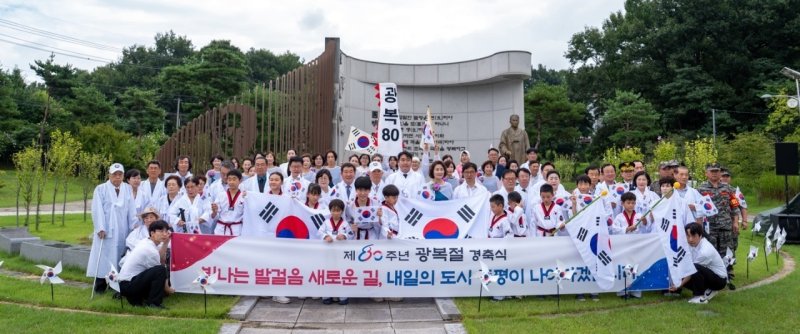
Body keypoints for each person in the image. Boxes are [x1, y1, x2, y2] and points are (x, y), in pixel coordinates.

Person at [87, 163, 138, 293]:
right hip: (106, 230)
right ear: (109, 175)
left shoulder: (127, 189)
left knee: (120, 256)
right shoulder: (101, 189)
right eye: (114, 174)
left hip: (122, 229)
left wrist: (134, 225)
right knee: (104, 257)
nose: (117, 177)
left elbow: (131, 209)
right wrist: (100, 228)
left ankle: (117, 286)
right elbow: (97, 209)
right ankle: (100, 286)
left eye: (120, 174)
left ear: (122, 176)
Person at [696, 162, 741, 289]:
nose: (715, 173)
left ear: (720, 173)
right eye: (712, 171)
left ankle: (728, 276)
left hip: (726, 225)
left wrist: (735, 221)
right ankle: (713, 277)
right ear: (706, 173)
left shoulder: (728, 188)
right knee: (711, 251)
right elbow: (698, 208)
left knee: (727, 251)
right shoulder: (701, 189)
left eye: (717, 171)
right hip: (710, 227)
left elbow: (734, 205)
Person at [670, 223, 728, 304]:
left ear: (700, 236)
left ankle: (700, 297)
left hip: (720, 280)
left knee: (694, 268)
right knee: (683, 272)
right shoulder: (691, 244)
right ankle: (707, 290)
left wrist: (679, 284)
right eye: (688, 236)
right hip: (709, 274)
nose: (690, 239)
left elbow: (691, 270)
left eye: (694, 236)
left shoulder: (705, 251)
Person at [118, 220, 171, 308]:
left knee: (161, 283)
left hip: (128, 282)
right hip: (128, 284)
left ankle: (137, 297)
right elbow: (159, 270)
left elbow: (159, 257)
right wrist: (168, 289)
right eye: (161, 231)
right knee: (161, 270)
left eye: (166, 231)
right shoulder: (149, 249)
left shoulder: (147, 241)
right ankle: (153, 303)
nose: (165, 234)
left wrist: (166, 243)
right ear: (152, 233)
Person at [318, 199, 354, 305]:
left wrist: (344, 236)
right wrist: (326, 236)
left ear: (342, 211)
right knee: (328, 273)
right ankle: (326, 296)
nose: (335, 213)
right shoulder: (326, 222)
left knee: (341, 274)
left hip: (341, 254)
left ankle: (343, 297)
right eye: (333, 210)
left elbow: (351, 234)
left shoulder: (345, 224)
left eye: (338, 211)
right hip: (328, 253)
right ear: (330, 211)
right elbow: (319, 232)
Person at [488, 194, 511, 301]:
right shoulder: (493, 216)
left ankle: (500, 295)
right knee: (492, 271)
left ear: (500, 206)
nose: (491, 209)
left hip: (500, 250)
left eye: (493, 206)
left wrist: (502, 248)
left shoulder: (505, 220)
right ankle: (492, 292)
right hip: (492, 248)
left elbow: (509, 236)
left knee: (499, 271)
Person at [209, 169, 245, 236]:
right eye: (229, 179)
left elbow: (246, 215)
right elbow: (214, 216)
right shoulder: (221, 195)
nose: (231, 182)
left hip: (236, 230)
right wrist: (214, 211)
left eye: (234, 179)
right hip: (221, 230)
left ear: (240, 180)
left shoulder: (244, 196)